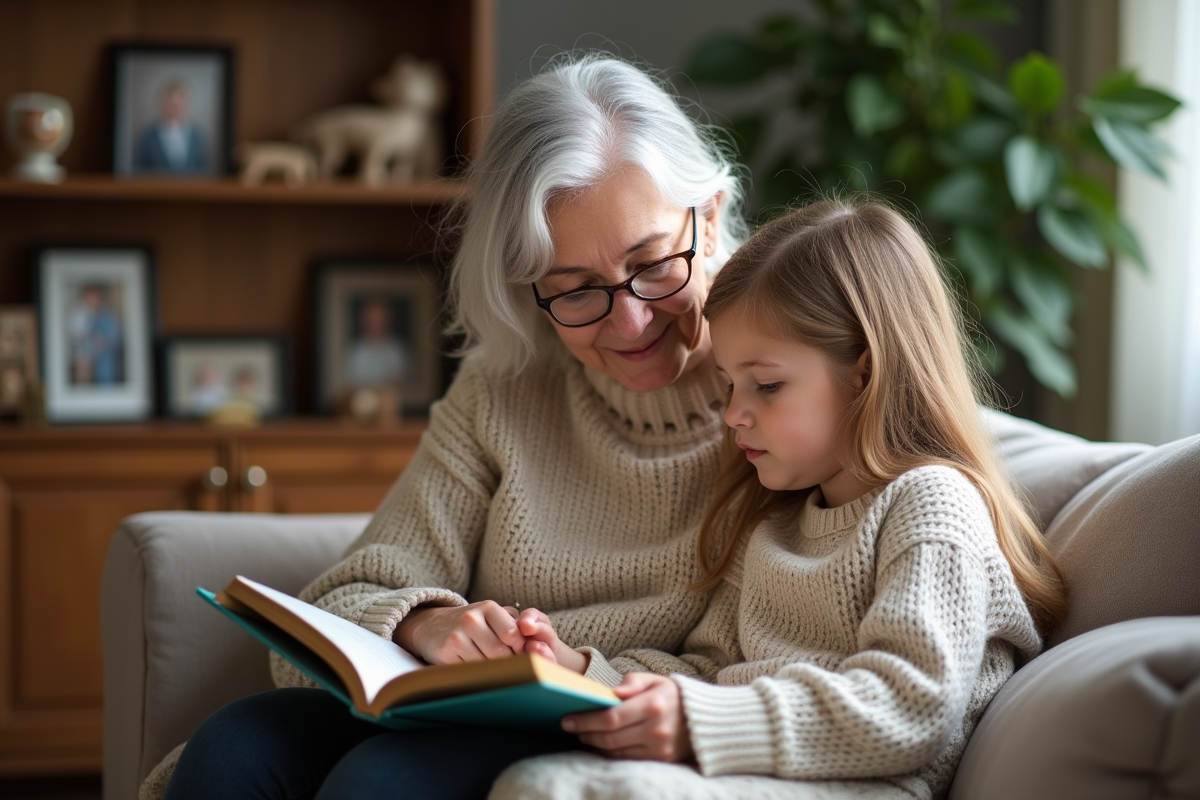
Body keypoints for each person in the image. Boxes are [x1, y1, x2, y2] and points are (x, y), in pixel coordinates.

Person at [158, 53, 748, 800]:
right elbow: (352, 589)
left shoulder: (778, 394)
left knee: (381, 781)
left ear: (713, 214)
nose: (629, 321)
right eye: (574, 292)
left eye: (654, 263)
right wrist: (424, 622)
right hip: (463, 709)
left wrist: (579, 670)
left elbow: (756, 665)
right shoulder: (506, 388)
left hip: (618, 718)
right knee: (237, 743)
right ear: (527, 287)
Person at [491, 197, 1068, 799]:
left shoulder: (931, 504)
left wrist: (699, 723)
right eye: (731, 385)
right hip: (754, 777)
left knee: (548, 790)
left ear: (863, 374)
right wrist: (584, 672)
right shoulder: (777, 523)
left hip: (863, 788)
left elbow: (911, 705)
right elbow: (713, 672)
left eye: (765, 385)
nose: (734, 413)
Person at [133, 79, 209, 174]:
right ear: (162, 104)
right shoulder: (147, 136)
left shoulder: (197, 135)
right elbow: (139, 171)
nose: (175, 107)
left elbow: (204, 170)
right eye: (170, 103)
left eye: (178, 103)